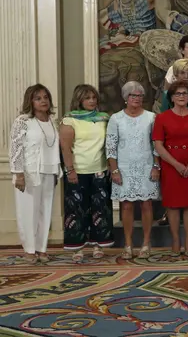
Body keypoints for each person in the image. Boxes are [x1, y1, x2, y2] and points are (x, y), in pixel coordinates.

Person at [106, 82, 159, 260]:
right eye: (133, 96)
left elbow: (156, 145)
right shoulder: (116, 119)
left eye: (139, 96)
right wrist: (114, 171)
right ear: (125, 98)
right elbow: (111, 147)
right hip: (124, 168)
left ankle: (146, 243)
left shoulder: (151, 117)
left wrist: (156, 166)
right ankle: (128, 244)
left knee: (146, 204)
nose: (136, 99)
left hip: (146, 166)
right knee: (126, 205)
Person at [60, 84, 113, 261]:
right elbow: (66, 149)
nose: (92, 101)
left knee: (100, 209)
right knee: (77, 209)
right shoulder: (70, 120)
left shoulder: (103, 118)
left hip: (100, 170)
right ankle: (78, 248)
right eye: (87, 98)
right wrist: (70, 170)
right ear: (79, 100)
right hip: (78, 170)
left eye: (94, 97)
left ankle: (98, 245)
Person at [152, 80, 188, 256]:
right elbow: (158, 146)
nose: (182, 96)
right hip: (170, 165)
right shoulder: (162, 117)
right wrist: (176, 164)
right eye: (178, 94)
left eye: (185, 94)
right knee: (173, 205)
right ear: (172, 97)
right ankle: (175, 242)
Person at [9, 84, 60, 263]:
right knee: (28, 212)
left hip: (49, 171)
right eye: (38, 98)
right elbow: (16, 148)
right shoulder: (23, 121)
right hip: (28, 173)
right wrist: (18, 173)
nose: (43, 101)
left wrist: (56, 171)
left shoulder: (52, 121)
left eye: (45, 97)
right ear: (30, 101)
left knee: (45, 211)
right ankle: (29, 249)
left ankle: (42, 248)